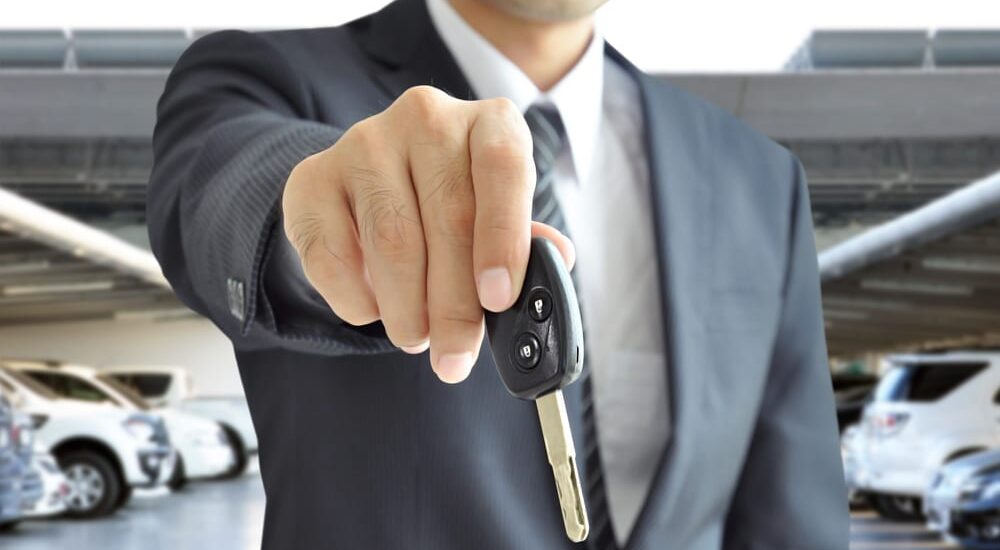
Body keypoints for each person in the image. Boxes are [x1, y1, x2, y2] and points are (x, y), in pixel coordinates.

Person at [147, 0, 850, 548]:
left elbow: (794, 516)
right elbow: (221, 193)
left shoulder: (758, 175)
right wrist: (335, 213)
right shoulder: (260, 77)